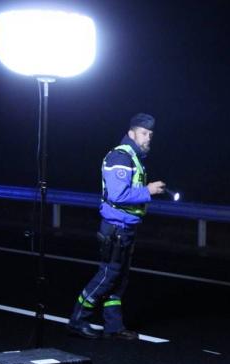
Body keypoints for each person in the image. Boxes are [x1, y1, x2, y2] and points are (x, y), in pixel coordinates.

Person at [68, 113, 166, 340]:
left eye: (150, 134)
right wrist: (148, 191)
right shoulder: (120, 156)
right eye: (144, 133)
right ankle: (77, 320)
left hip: (127, 228)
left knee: (119, 279)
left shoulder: (135, 157)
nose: (148, 138)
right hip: (115, 228)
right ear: (132, 133)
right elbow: (118, 194)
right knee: (107, 276)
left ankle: (114, 326)